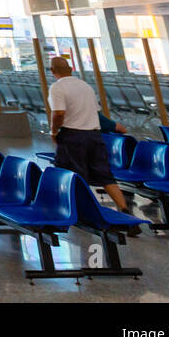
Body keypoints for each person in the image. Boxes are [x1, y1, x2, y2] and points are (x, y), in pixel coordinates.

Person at [48, 56, 137, 226]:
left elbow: (58, 113)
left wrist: (54, 131)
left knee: (74, 175)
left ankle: (81, 211)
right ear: (71, 68)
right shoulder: (86, 86)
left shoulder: (57, 88)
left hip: (73, 136)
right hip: (94, 136)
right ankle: (124, 210)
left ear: (52, 71)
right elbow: (95, 113)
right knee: (106, 176)